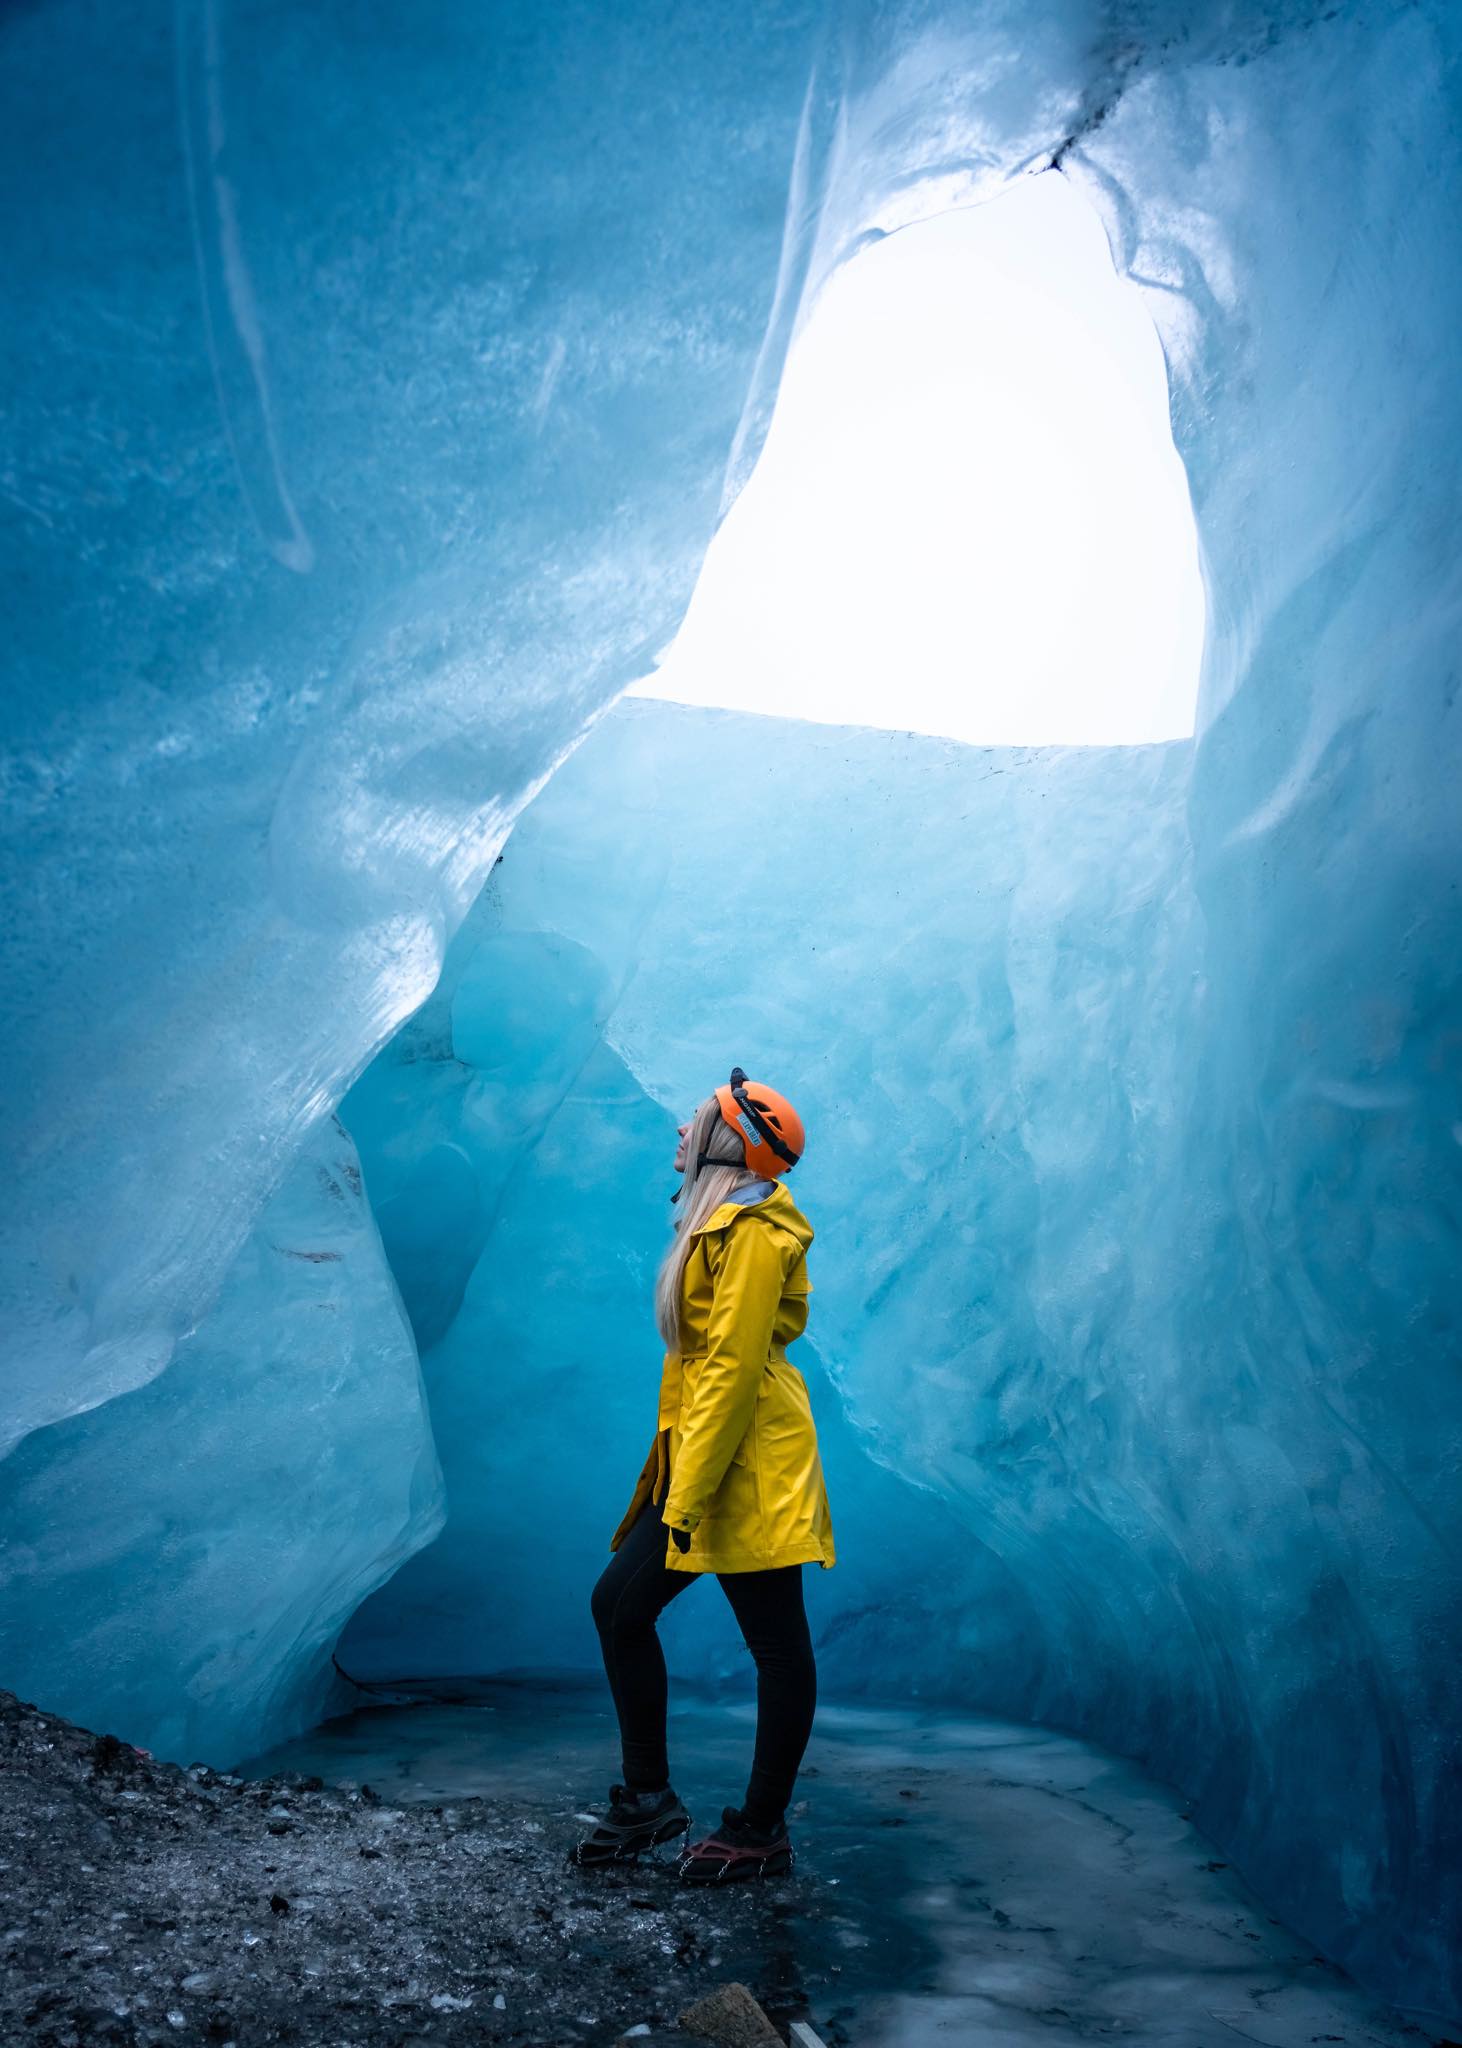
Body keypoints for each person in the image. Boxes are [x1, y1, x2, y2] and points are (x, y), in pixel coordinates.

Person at [572, 1067, 835, 1884]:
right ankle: (651, 1801)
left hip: (751, 1467)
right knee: (618, 1604)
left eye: (693, 1123)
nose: (680, 1134)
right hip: (708, 1456)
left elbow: (730, 1368)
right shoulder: (719, 1222)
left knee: (776, 1645)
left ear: (728, 1139)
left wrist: (683, 1497)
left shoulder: (755, 1232)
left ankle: (760, 1830)